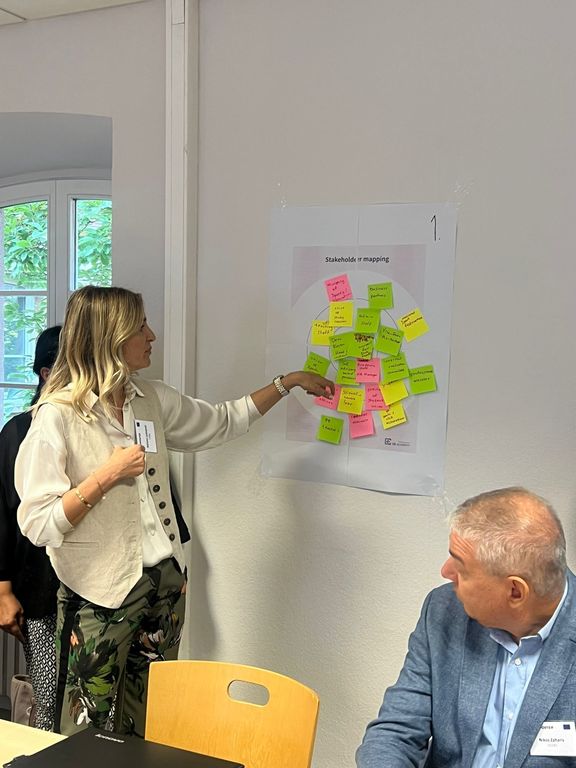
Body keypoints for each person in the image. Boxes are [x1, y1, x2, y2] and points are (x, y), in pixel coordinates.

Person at [15, 285, 334, 738]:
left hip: (164, 584)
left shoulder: (150, 399)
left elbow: (222, 420)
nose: (152, 336)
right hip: (100, 593)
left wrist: (288, 383)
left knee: (153, 715)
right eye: (140, 326)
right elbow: (38, 524)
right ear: (110, 336)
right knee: (86, 725)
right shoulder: (57, 416)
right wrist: (105, 477)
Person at [356, 487, 576, 768]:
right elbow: (395, 732)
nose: (446, 572)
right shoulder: (444, 610)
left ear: (515, 592)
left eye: (461, 568)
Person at [0, 325, 62, 730]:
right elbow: (3, 514)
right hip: (39, 591)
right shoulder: (19, 431)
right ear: (45, 372)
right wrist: (3, 590)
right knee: (48, 699)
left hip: (97, 592)